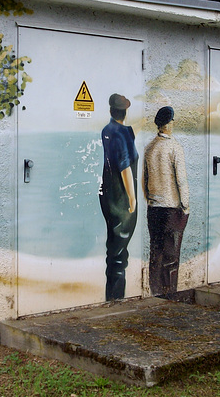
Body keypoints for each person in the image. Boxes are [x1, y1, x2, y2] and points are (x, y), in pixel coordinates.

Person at [143, 106, 189, 297]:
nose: (173, 124)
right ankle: (169, 294)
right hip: (172, 210)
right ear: (169, 124)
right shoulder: (175, 148)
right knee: (171, 257)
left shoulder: (149, 148)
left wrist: (150, 199)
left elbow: (145, 181)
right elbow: (182, 182)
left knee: (156, 254)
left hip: (154, 209)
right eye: (172, 121)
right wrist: (185, 207)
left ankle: (155, 293)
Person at [99, 93, 139, 300]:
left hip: (107, 194)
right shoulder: (122, 133)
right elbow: (125, 168)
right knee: (119, 253)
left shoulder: (107, 130)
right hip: (122, 198)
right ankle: (116, 300)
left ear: (110, 111)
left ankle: (112, 297)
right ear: (125, 111)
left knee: (114, 249)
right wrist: (132, 198)